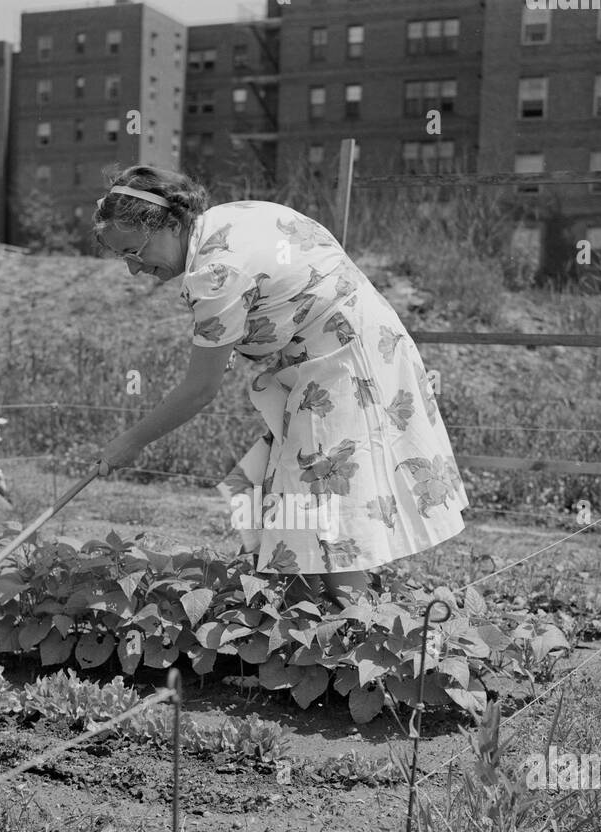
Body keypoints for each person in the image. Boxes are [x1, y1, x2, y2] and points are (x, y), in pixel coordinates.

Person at [91, 165, 468, 608]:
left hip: (345, 363)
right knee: (295, 499)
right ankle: (306, 623)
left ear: (171, 224)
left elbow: (200, 389)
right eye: (123, 259)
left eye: (135, 251)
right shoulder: (231, 218)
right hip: (355, 342)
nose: (135, 270)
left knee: (323, 505)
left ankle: (360, 634)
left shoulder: (216, 273)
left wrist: (130, 442)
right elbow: (284, 293)